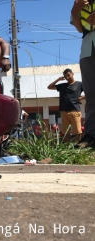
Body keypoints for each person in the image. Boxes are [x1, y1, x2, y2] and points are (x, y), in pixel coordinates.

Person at [71, 1, 95, 148]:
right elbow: (80, 29)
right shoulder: (80, 2)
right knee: (92, 96)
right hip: (87, 50)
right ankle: (91, 136)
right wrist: (74, 12)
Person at [47, 68, 84, 142]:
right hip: (64, 112)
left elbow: (90, 91)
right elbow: (49, 87)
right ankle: (67, 148)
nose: (67, 78)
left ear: (72, 74)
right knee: (66, 132)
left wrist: (82, 97)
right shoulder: (63, 86)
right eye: (65, 76)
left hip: (75, 111)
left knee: (78, 132)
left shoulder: (79, 84)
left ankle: (79, 148)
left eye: (68, 75)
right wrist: (58, 79)